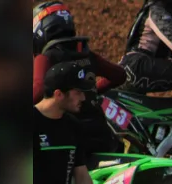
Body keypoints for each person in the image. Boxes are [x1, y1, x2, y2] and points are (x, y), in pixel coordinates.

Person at [33, 1, 127, 156]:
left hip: (70, 141)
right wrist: (93, 90)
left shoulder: (45, 57)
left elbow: (38, 89)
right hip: (101, 136)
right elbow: (119, 75)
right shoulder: (86, 54)